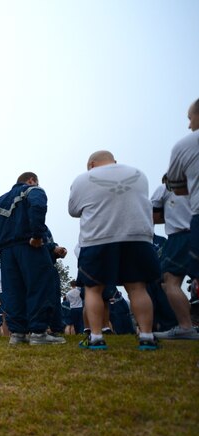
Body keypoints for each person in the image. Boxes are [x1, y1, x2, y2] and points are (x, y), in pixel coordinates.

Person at [69, 150, 160, 350]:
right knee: (137, 287)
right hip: (137, 235)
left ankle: (95, 337)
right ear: (114, 161)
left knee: (93, 289)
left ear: (91, 164)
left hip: (98, 237)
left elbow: (73, 210)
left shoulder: (83, 179)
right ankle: (146, 336)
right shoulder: (139, 174)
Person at [0, 173, 64, 345]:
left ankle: (18, 334)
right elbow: (38, 206)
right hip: (30, 246)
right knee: (38, 287)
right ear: (31, 180)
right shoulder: (33, 190)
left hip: (7, 253)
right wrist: (37, 235)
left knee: (13, 291)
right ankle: (38, 333)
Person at [151, 184, 198, 339]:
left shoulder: (166, 188)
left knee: (169, 281)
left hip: (181, 235)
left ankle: (185, 327)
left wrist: (171, 213)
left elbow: (153, 216)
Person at [163, 97, 199, 283]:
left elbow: (175, 186)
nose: (188, 125)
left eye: (190, 118)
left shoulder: (185, 144)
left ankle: (186, 314)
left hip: (195, 216)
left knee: (170, 278)